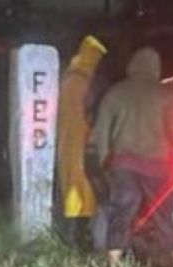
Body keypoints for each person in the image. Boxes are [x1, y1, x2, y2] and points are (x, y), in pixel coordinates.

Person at [91, 47, 173, 267]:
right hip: (158, 167)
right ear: (156, 68)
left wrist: (105, 160)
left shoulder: (116, 92)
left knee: (121, 213)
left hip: (123, 164)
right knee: (165, 216)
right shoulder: (166, 95)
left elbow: (101, 129)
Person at [55, 35, 107, 248]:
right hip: (82, 144)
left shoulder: (66, 78)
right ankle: (79, 242)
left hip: (64, 141)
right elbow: (93, 113)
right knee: (84, 192)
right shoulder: (87, 82)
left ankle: (66, 239)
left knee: (68, 189)